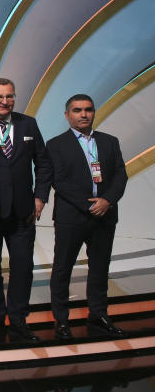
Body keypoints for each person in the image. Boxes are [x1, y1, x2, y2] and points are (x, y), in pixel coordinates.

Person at [0, 78, 51, 343]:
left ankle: (18, 321)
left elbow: (43, 163)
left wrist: (40, 197)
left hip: (23, 211)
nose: (4, 102)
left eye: (9, 96)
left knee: (22, 267)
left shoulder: (27, 123)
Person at [47, 94, 128, 339]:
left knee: (100, 268)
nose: (83, 114)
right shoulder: (55, 145)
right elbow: (58, 180)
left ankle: (98, 315)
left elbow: (120, 176)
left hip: (105, 215)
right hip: (72, 216)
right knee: (63, 269)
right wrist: (88, 205)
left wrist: (107, 201)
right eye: (77, 110)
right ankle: (61, 320)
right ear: (67, 115)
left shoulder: (109, 142)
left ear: (94, 112)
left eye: (88, 110)